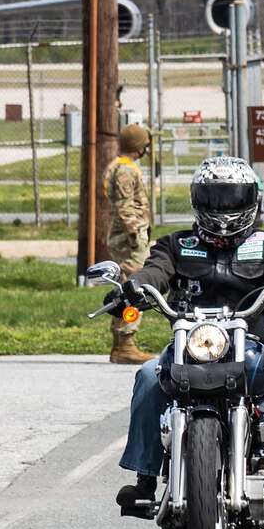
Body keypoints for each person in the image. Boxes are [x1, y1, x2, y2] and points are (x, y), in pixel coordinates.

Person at [114, 157, 264, 516]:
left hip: (253, 348)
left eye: (232, 199)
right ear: (199, 200)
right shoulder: (177, 244)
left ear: (250, 200)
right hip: (191, 348)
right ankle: (145, 478)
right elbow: (153, 272)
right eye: (215, 198)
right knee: (148, 375)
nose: (224, 208)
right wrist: (132, 288)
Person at [104, 123, 153, 365]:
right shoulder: (125, 171)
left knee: (125, 288)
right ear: (137, 146)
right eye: (143, 143)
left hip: (126, 240)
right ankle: (126, 344)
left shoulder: (123, 168)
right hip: (128, 242)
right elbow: (125, 210)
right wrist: (135, 238)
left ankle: (120, 345)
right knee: (135, 289)